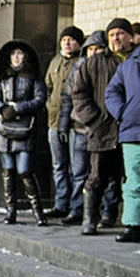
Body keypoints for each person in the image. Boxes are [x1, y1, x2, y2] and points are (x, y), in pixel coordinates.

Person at [71, 18, 135, 235]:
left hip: (132, 130)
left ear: (130, 36)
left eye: (120, 33)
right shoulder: (95, 62)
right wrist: (93, 119)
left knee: (128, 176)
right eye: (112, 35)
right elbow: (78, 93)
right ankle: (90, 219)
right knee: (97, 176)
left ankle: (116, 216)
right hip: (103, 129)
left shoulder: (136, 60)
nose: (116, 38)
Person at [0, 40, 48, 225]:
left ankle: (38, 212)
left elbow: (40, 99)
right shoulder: (2, 77)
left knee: (25, 170)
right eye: (13, 54)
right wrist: (2, 108)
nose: (16, 57)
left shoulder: (34, 76)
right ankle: (10, 212)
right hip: (4, 131)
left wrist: (19, 108)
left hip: (25, 129)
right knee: (7, 171)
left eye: (20, 54)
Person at [59, 30, 105, 225]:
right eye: (91, 49)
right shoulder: (78, 68)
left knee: (100, 175)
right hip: (78, 128)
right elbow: (67, 98)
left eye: (98, 48)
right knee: (78, 172)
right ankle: (77, 209)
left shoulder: (110, 67)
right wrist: (63, 125)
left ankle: (100, 213)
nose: (94, 53)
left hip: (101, 130)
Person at [44, 26, 85, 219]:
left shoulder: (83, 62)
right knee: (58, 165)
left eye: (71, 39)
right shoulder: (55, 61)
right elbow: (48, 86)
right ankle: (61, 204)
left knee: (77, 169)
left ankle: (76, 208)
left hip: (76, 124)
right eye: (64, 40)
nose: (67, 43)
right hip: (54, 122)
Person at [104, 33, 140, 242]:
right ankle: (133, 225)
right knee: (134, 180)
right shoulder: (128, 66)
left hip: (131, 129)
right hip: (133, 130)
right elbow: (111, 92)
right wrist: (122, 112)